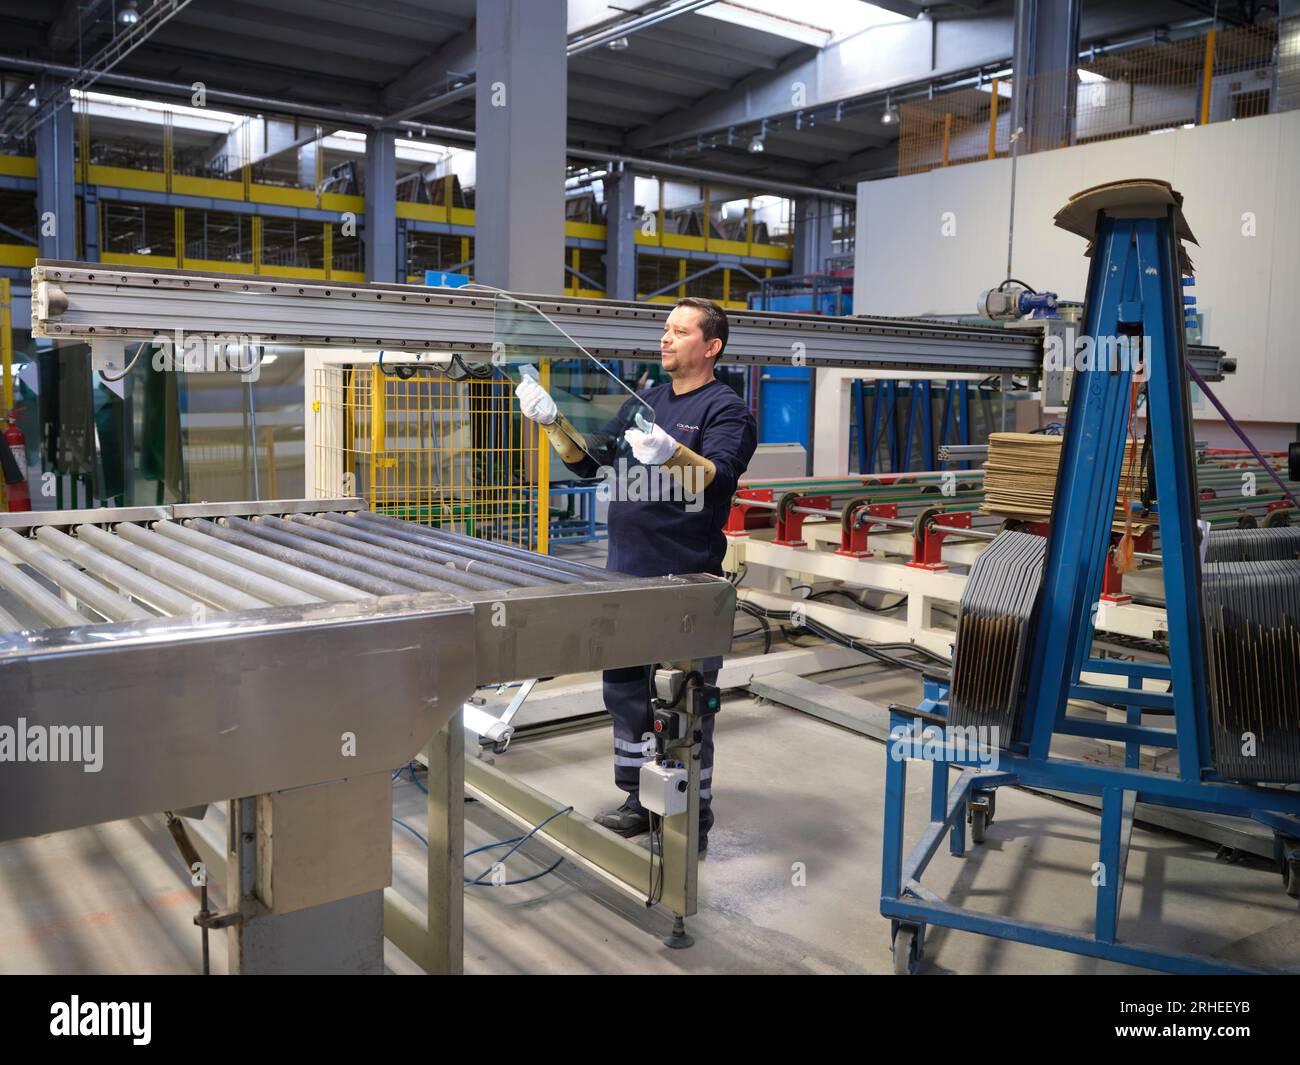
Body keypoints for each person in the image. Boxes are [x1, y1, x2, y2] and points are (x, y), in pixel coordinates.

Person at [515, 297, 757, 853]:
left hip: (683, 583)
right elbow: (587, 463)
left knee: (683, 700)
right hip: (623, 575)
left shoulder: (726, 410)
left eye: (679, 331)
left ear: (711, 346)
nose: (665, 338)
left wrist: (670, 453)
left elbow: (713, 482)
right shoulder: (644, 401)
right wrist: (553, 424)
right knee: (625, 694)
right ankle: (638, 799)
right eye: (665, 329)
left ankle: (689, 816)